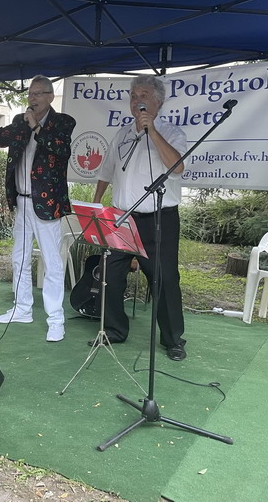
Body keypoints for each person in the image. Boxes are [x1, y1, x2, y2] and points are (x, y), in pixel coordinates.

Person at [93, 75, 188, 361]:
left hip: (159, 218)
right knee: (110, 274)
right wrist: (96, 203)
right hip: (121, 217)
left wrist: (152, 132)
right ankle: (114, 329)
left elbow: (177, 168)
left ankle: (173, 339)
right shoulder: (122, 134)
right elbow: (107, 170)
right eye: (134, 96)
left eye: (144, 96)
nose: (137, 101)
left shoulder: (171, 132)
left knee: (164, 279)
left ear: (159, 101)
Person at [0, 75, 76, 342]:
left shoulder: (63, 122)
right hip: (21, 201)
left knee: (52, 262)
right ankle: (22, 308)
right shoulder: (20, 121)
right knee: (19, 257)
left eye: (37, 93)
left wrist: (36, 127)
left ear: (50, 97)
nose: (32, 98)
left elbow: (60, 150)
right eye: (30, 94)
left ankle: (55, 319)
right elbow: (0, 138)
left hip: (47, 204)